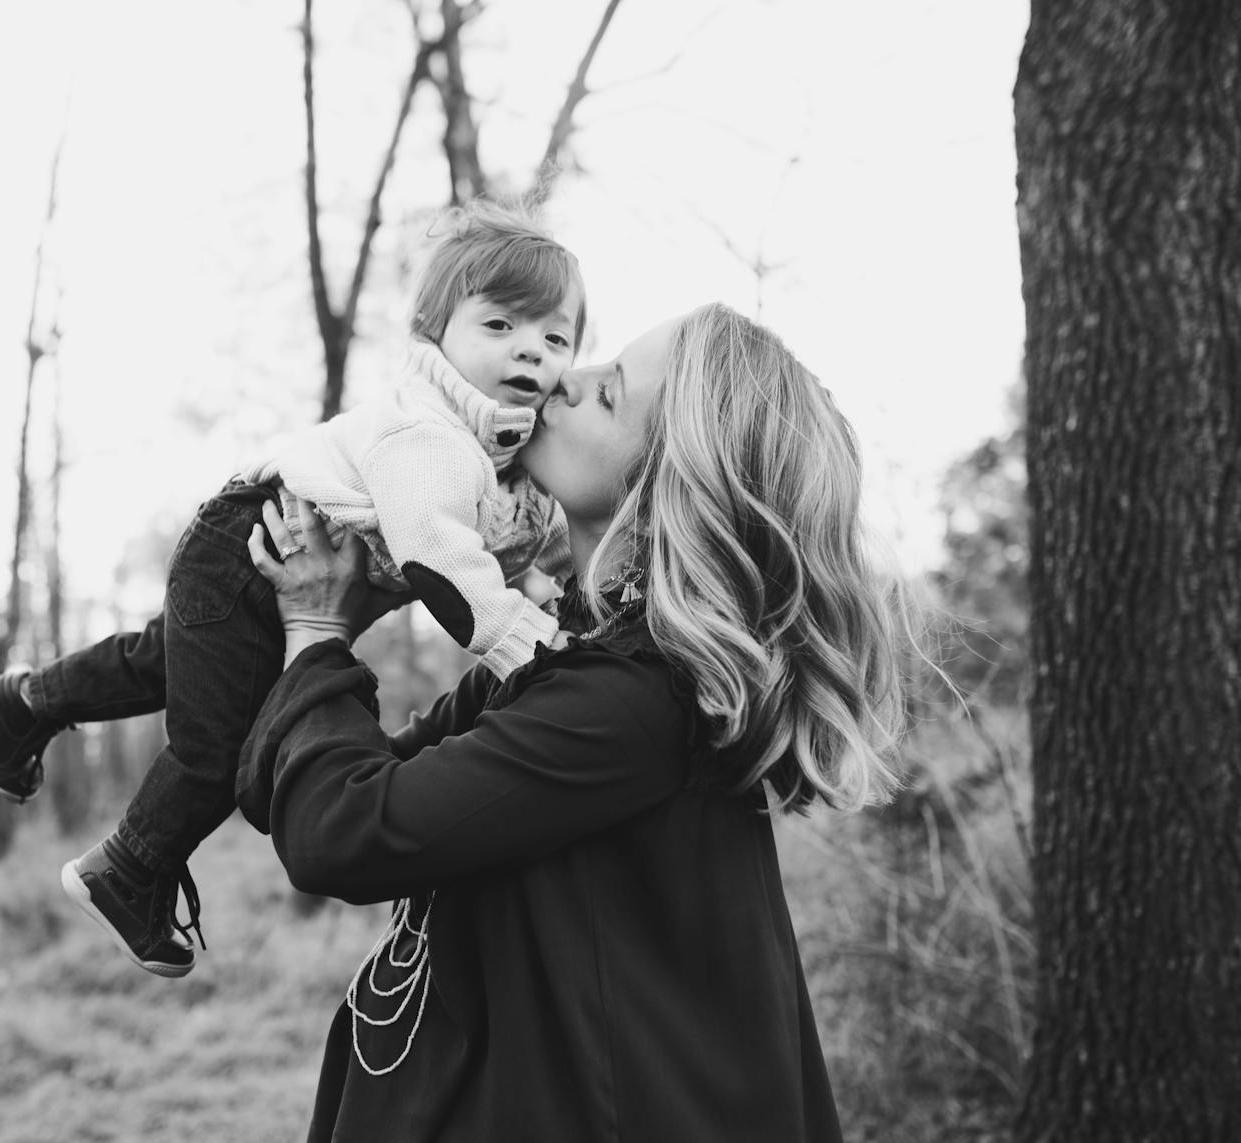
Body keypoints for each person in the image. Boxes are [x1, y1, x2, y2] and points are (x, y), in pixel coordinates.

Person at [234, 302, 915, 1140]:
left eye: (607, 394)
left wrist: (316, 629)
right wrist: (341, 616)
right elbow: (325, 787)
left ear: (670, 482)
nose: (565, 377)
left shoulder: (637, 696)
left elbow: (343, 832)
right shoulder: (569, 659)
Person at [0, 201, 584, 978]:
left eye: (555, 337)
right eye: (501, 326)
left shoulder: (496, 452)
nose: (532, 352)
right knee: (218, 741)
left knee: (162, 658)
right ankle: (126, 868)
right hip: (252, 542)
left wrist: (570, 581)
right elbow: (443, 561)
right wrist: (527, 642)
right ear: (434, 333)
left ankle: (11, 705)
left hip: (245, 546)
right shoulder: (432, 437)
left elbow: (533, 536)